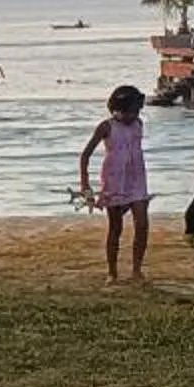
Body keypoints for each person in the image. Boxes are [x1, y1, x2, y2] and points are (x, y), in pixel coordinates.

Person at [76, 88, 151, 282]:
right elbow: (85, 155)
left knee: (142, 225)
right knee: (115, 228)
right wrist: (85, 184)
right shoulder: (106, 127)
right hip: (115, 181)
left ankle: (137, 269)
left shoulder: (138, 124)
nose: (132, 116)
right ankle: (112, 271)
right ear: (116, 109)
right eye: (129, 112)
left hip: (137, 180)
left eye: (136, 111)